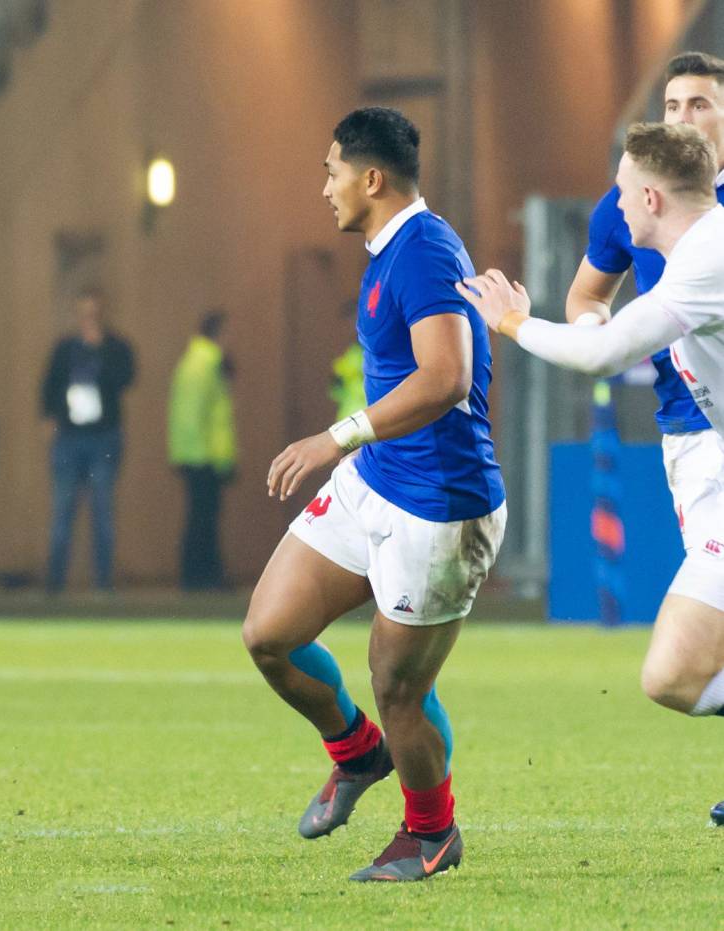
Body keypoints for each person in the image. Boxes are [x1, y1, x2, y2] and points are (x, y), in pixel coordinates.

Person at [242, 107, 506, 882]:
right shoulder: (388, 249)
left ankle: (431, 833)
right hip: (377, 480)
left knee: (398, 684)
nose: (322, 188)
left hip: (437, 503)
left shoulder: (423, 251)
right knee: (269, 633)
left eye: (330, 172)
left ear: (370, 178)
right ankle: (357, 754)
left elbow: (445, 376)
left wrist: (336, 436)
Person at [457, 121, 724, 826]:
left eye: (620, 190)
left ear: (650, 199)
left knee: (669, 675)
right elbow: (600, 335)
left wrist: (512, 322)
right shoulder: (704, 247)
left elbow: (603, 354)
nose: (616, 204)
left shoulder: (705, 259)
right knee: (671, 675)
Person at [39, 288, 134, 593]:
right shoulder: (65, 348)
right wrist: (48, 419)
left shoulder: (116, 347)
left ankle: (104, 584)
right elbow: (49, 385)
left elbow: (126, 378)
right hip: (69, 437)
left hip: (103, 437)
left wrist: (100, 351)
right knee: (62, 510)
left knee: (102, 510)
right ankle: (54, 584)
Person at [167, 308, 237, 590]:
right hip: (203, 456)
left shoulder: (198, 361)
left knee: (202, 518)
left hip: (199, 453)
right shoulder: (205, 363)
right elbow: (194, 415)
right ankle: (201, 577)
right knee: (203, 520)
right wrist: (205, 457)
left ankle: (201, 576)